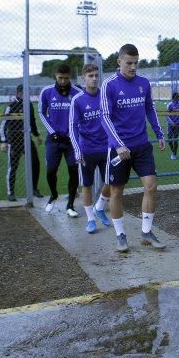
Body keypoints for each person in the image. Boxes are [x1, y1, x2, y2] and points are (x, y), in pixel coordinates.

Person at [100, 44, 167, 252]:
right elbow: (105, 117)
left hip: (142, 145)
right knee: (117, 191)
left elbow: (150, 109)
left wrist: (159, 133)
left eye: (136, 63)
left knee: (151, 186)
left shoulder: (143, 83)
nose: (133, 67)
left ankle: (146, 232)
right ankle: (120, 235)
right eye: (129, 63)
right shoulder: (109, 85)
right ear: (119, 61)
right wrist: (118, 145)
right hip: (119, 149)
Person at [69, 65, 113, 234]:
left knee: (112, 181)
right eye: (90, 76)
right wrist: (77, 149)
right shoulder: (78, 100)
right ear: (83, 79)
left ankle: (100, 206)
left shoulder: (105, 95)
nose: (94, 78)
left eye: (96, 75)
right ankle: (90, 219)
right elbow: (72, 127)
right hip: (87, 149)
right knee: (86, 185)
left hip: (107, 147)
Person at [39, 63, 82, 217]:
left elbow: (81, 114)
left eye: (66, 78)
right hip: (54, 140)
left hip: (72, 141)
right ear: (55, 76)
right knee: (51, 170)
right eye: (60, 78)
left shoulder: (78, 92)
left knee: (74, 170)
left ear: (70, 77)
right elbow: (41, 113)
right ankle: (53, 195)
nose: (63, 81)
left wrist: (76, 132)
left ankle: (70, 204)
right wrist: (52, 132)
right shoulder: (46, 92)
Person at [0, 85, 43, 202]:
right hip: (14, 140)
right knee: (13, 166)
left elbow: (32, 122)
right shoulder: (11, 106)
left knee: (35, 163)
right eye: (25, 92)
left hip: (27, 139)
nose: (28, 94)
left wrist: (37, 136)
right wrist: (3, 141)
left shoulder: (28, 105)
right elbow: (3, 124)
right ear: (19, 93)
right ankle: (10, 193)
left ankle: (34, 189)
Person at [166, 92, 179, 160]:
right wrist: (171, 123)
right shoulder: (169, 105)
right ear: (174, 97)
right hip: (171, 125)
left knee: (175, 139)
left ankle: (174, 154)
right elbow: (167, 115)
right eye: (177, 97)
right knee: (169, 140)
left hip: (178, 125)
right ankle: (173, 151)